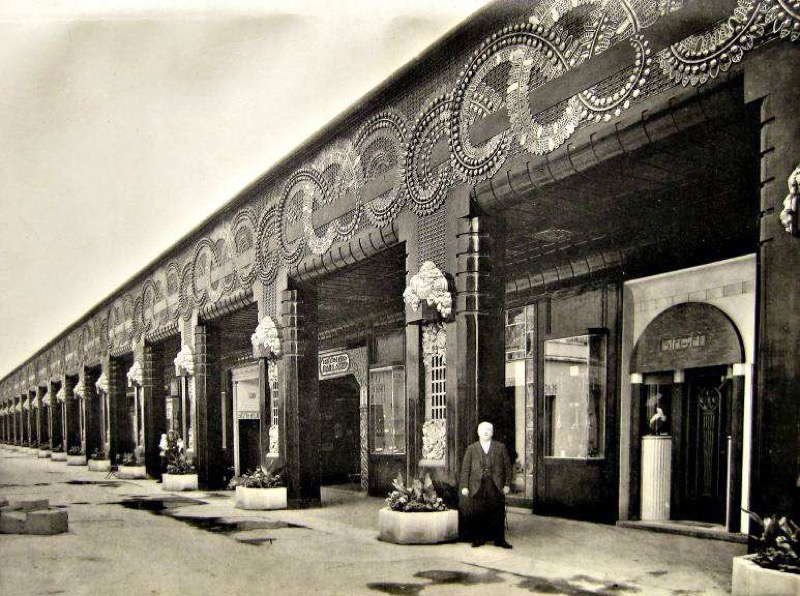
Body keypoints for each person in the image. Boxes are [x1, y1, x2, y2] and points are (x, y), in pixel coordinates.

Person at [459, 421, 513, 548]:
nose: (486, 431)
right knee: (478, 512)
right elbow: (465, 469)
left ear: (492, 432)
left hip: (496, 485)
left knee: (498, 512)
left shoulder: (500, 447)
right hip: (477, 486)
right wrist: (465, 486)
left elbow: (508, 469)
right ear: (478, 432)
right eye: (483, 429)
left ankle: (499, 540)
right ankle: (479, 538)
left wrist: (507, 485)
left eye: (489, 429)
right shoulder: (471, 448)